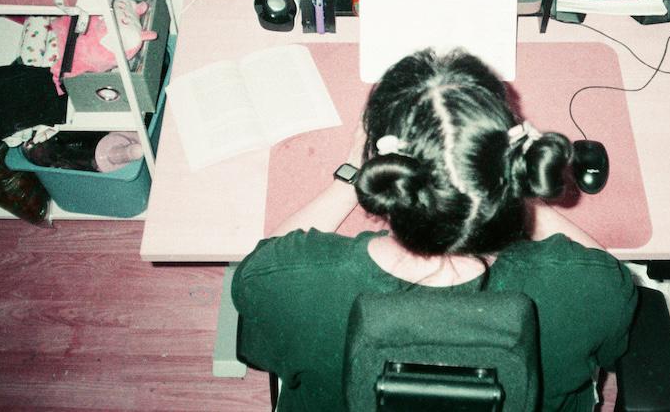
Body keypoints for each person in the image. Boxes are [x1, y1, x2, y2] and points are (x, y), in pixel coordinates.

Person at [232, 48, 637, 411]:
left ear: (384, 169)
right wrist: (520, 186)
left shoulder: (282, 282)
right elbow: (604, 272)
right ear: (513, 163)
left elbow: (263, 262)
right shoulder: (592, 287)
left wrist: (348, 175)